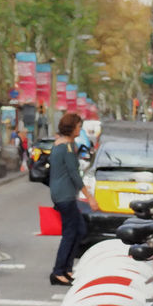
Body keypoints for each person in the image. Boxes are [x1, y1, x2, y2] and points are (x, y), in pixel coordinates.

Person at [48, 110, 99, 285]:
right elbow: (74, 175)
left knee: (79, 230)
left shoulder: (60, 144)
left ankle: (67, 268)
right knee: (71, 232)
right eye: (78, 127)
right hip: (65, 195)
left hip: (61, 194)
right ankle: (58, 271)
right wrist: (89, 197)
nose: (80, 130)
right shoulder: (68, 147)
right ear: (71, 128)